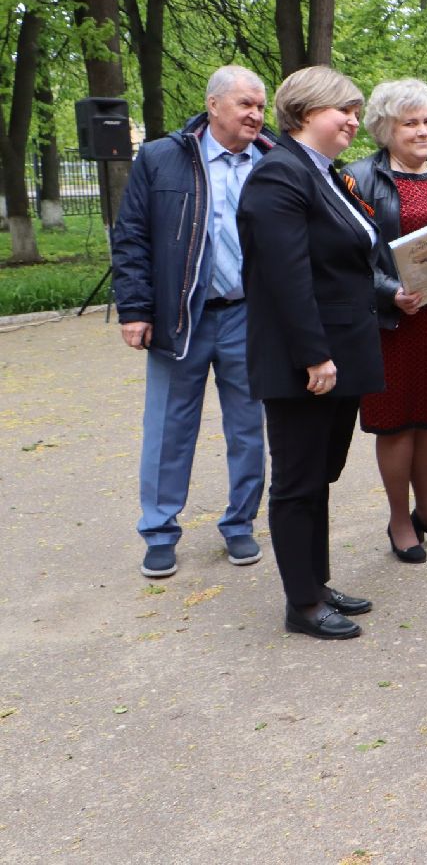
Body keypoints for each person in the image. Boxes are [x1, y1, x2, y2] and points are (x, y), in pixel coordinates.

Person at [237, 66, 383, 640]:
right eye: (340, 110)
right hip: (307, 361)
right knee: (298, 480)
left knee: (320, 474)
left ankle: (315, 582)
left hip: (337, 353)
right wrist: (314, 356)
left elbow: (350, 262)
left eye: (355, 109)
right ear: (302, 115)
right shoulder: (280, 177)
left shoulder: (324, 173)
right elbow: (286, 278)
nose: (352, 120)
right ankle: (301, 603)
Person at [111, 65, 274, 579]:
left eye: (261, 106)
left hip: (247, 316)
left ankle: (240, 524)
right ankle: (159, 531)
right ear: (214, 105)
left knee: (248, 429)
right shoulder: (163, 158)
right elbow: (132, 235)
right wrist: (135, 309)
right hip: (179, 316)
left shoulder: (273, 160)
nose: (255, 114)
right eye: (246, 104)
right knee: (168, 427)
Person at [343, 78, 427, 564]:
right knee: (396, 421)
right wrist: (389, 293)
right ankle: (399, 519)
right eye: (409, 122)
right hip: (393, 321)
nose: (422, 131)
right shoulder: (357, 179)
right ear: (384, 128)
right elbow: (349, 256)